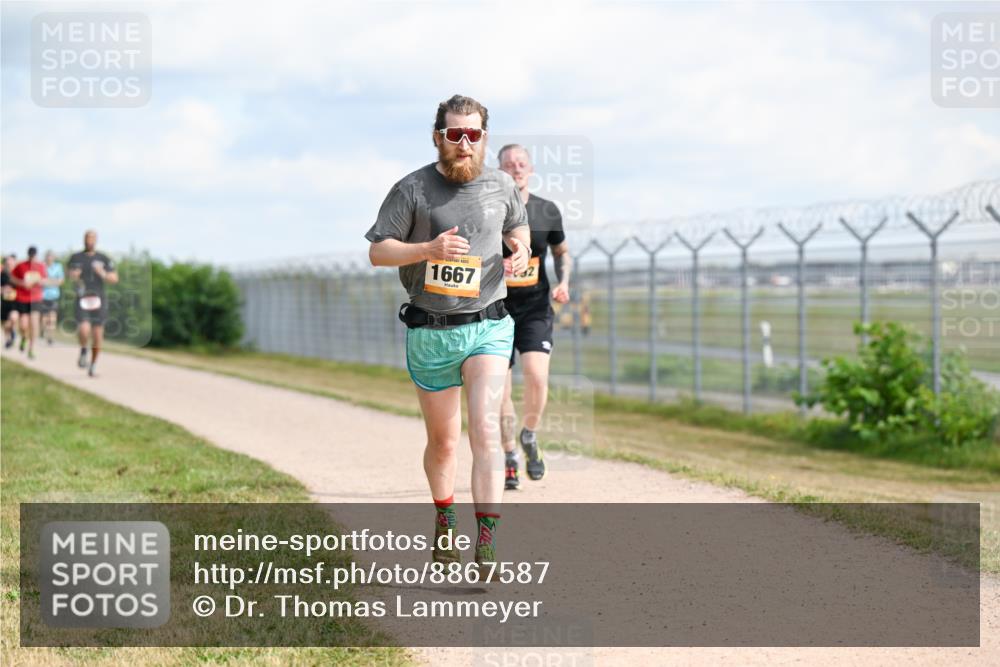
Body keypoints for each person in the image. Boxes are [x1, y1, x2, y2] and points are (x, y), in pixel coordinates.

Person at [366, 94, 530, 575]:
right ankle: (444, 520)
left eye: (473, 134)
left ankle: (486, 544)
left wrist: (518, 251)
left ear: (483, 137)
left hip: (488, 326)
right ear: (439, 136)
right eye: (454, 134)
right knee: (445, 444)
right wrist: (427, 249)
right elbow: (379, 252)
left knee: (484, 429)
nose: (463, 143)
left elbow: (517, 229)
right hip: (431, 330)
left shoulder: (502, 185)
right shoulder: (412, 188)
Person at [496, 144, 572, 489]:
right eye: (509, 165)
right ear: (499, 170)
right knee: (501, 390)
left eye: (521, 163)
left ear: (531, 169)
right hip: (494, 310)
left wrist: (564, 281)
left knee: (537, 377)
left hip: (535, 308)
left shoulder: (546, 210)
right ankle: (511, 456)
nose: (516, 169)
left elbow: (562, 252)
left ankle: (529, 434)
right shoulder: (488, 212)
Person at [68, 230, 118, 377]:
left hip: (99, 299)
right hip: (82, 297)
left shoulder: (103, 258)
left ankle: (94, 365)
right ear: (83, 240)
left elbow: (114, 279)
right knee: (83, 329)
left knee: (97, 335)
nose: (89, 241)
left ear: (96, 240)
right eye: (87, 238)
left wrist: (102, 272)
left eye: (92, 238)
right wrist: (74, 275)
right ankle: (84, 349)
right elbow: (68, 275)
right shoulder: (76, 257)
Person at [10, 246, 48, 360]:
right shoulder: (20, 266)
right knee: (23, 325)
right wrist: (21, 283)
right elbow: (12, 278)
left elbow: (44, 279)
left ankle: (31, 349)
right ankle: (24, 338)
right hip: (22, 298)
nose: (32, 257)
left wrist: (41, 281)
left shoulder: (40, 266)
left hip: (36, 298)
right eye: (30, 255)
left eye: (34, 255)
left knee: (34, 323)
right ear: (28, 255)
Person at [40, 250, 64, 345]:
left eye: (51, 257)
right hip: (42, 296)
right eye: (48, 257)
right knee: (44, 318)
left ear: (53, 258)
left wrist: (48, 282)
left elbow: (61, 281)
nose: (49, 259)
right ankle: (44, 331)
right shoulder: (42, 266)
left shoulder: (58, 267)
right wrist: (53, 281)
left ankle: (50, 336)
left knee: (52, 318)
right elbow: (40, 280)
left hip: (54, 296)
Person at [2, 254, 19, 349]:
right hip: (4, 303)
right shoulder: (2, 275)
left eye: (11, 263)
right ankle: (8, 340)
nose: (9, 265)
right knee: (5, 325)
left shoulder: (18, 275)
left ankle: (12, 332)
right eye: (7, 263)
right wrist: (3, 289)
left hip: (15, 303)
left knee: (13, 318)